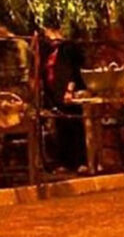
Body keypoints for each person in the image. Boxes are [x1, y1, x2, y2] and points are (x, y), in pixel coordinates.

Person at [40, 21, 87, 174]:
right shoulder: (49, 51)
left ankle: (81, 161)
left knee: (75, 126)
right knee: (62, 127)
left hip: (67, 92)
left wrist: (69, 90)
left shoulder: (68, 48)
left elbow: (73, 70)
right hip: (55, 93)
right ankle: (66, 162)